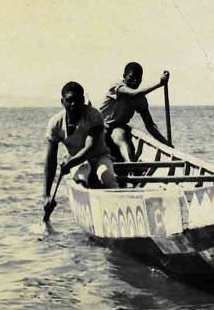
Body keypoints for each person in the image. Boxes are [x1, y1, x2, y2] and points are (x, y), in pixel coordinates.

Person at [44, 82, 117, 214]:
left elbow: (89, 147)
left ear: (83, 100)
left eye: (77, 100)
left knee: (108, 177)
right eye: (69, 101)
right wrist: (47, 195)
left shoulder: (94, 115)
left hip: (99, 157)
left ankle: (116, 208)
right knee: (81, 179)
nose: (73, 105)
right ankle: (90, 211)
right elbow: (50, 162)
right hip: (78, 161)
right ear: (62, 102)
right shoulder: (55, 123)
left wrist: (70, 163)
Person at [99, 62, 170, 162]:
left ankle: (130, 164)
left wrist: (166, 144)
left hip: (116, 128)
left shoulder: (140, 99)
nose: (135, 81)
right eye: (131, 77)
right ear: (124, 76)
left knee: (121, 135)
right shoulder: (117, 87)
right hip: (100, 126)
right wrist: (159, 84)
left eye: (138, 79)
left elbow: (150, 125)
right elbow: (133, 94)